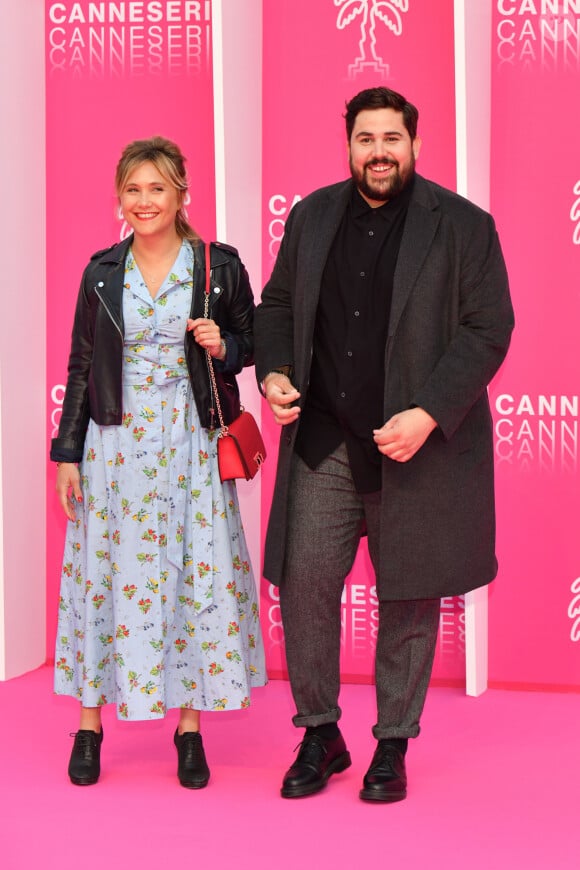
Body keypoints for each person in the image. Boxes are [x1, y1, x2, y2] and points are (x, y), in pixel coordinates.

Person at [254, 87, 514, 803]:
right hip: (323, 442)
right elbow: (277, 305)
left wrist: (429, 412)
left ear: (414, 145)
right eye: (365, 138)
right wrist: (274, 372)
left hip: (415, 447)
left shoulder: (463, 226)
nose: (378, 152)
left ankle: (392, 745)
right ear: (348, 144)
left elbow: (488, 329)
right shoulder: (310, 217)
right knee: (304, 586)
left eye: (391, 139)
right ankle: (320, 733)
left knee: (409, 598)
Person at [51, 136, 266, 788]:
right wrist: (67, 454)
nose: (144, 201)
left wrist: (223, 342)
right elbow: (83, 366)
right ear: (121, 197)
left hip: (192, 446)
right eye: (134, 189)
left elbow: (253, 343)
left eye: (157, 189)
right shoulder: (100, 273)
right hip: (115, 448)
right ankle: (90, 724)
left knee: (191, 577)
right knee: (104, 577)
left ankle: (190, 728)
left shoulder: (217, 267)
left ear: (182, 195)